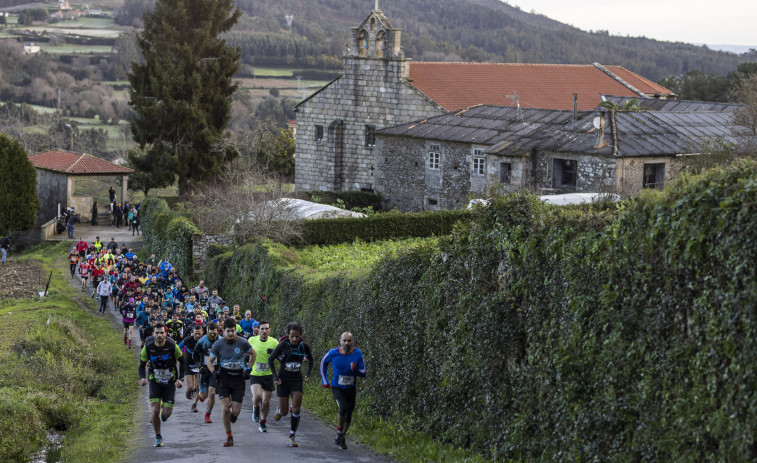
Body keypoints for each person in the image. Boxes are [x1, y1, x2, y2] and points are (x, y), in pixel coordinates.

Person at [207, 318, 254, 447]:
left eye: (233, 331)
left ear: (235, 330)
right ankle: (229, 437)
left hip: (238, 379)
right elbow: (209, 361)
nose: (230, 334)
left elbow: (253, 354)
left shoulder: (243, 342)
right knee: (225, 409)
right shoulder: (218, 344)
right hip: (224, 378)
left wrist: (249, 369)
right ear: (223, 331)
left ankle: (233, 415)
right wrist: (213, 372)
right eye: (228, 331)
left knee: (235, 412)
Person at [138, 322, 185, 447]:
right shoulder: (147, 347)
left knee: (165, 414)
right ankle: (158, 437)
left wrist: (180, 379)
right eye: (157, 333)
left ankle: (163, 415)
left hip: (170, 380)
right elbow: (141, 366)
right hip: (155, 380)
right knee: (154, 410)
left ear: (165, 334)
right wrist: (142, 378)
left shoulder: (172, 346)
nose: (159, 335)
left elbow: (183, 362)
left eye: (162, 333)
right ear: (153, 334)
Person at [320, 332, 367, 450]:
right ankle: (339, 433)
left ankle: (342, 436)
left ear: (353, 342)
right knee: (343, 407)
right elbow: (323, 363)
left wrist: (355, 369)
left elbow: (364, 373)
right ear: (340, 341)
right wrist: (325, 380)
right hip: (337, 387)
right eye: (344, 340)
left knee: (349, 414)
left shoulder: (358, 354)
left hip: (351, 388)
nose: (346, 343)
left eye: (349, 341)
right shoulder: (333, 353)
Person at [269, 322, 313, 447]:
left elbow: (311, 359)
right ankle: (280, 410)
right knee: (284, 412)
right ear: (288, 335)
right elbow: (271, 359)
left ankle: (292, 436)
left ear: (300, 336)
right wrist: (275, 376)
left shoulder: (304, 346)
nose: (294, 339)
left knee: (296, 408)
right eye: (292, 336)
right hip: (283, 380)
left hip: (296, 380)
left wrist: (308, 374)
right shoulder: (283, 345)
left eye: (297, 336)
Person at [248, 320, 278, 432]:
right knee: (257, 396)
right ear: (258, 330)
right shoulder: (251, 340)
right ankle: (255, 408)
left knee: (266, 402)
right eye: (262, 329)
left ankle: (262, 422)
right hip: (255, 373)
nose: (264, 331)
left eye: (266, 329)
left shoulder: (274, 342)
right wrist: (247, 365)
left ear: (270, 330)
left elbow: (280, 356)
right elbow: (246, 354)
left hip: (268, 375)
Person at [194, 322, 220, 423]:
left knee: (212, 393)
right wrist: (199, 366)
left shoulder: (221, 341)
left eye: (214, 333)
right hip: (204, 370)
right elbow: (195, 355)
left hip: (215, 370)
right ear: (207, 332)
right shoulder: (201, 341)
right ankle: (199, 395)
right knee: (204, 395)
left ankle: (207, 415)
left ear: (217, 331)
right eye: (211, 333)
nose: (213, 335)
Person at [179, 324, 204, 412]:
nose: (197, 336)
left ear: (202, 333)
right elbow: (178, 347)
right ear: (192, 333)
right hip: (188, 365)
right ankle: (189, 392)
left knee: (197, 387)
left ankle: (194, 405)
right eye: (196, 334)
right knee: (190, 387)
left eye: (199, 334)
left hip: (199, 365)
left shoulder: (204, 340)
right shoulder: (187, 340)